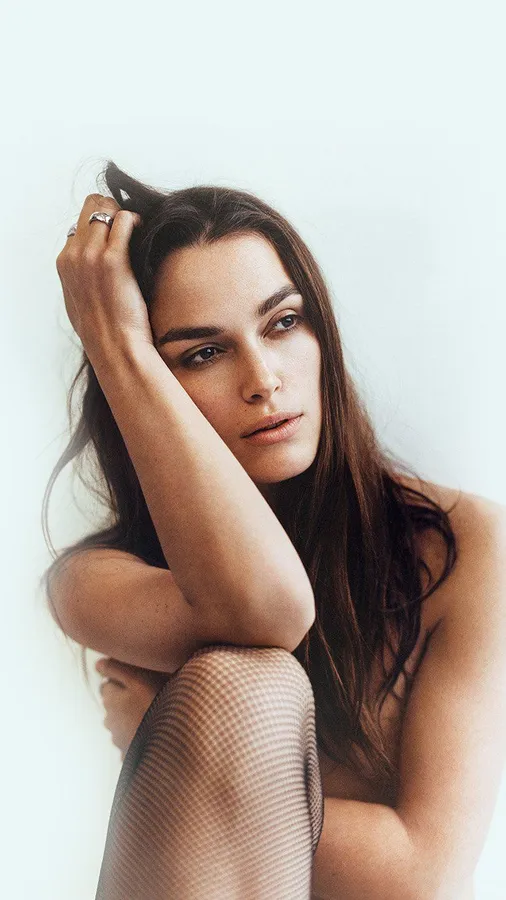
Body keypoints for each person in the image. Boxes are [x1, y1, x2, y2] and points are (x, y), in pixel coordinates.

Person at [41, 160, 506, 899]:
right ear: (146, 387)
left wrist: (190, 748)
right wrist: (116, 345)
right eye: (203, 353)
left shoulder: (466, 546)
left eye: (283, 323)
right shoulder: (97, 580)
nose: (263, 379)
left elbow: (423, 875)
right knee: (248, 681)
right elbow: (266, 611)